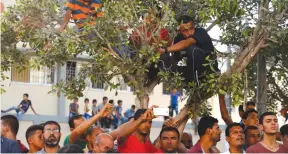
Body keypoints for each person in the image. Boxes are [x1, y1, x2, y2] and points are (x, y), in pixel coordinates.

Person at [158, 15, 219, 84]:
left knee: (192, 49)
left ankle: (196, 83)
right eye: (185, 31)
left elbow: (187, 43)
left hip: (208, 70)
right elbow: (177, 58)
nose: (189, 33)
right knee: (164, 59)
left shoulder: (201, 32)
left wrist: (166, 49)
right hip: (189, 71)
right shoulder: (178, 39)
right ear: (179, 31)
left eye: (191, 28)